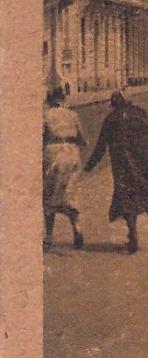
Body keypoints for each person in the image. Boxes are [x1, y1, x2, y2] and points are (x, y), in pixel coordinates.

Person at [82, 91, 148, 254]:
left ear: (113, 105)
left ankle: (132, 230)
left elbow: (101, 146)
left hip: (122, 165)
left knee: (125, 198)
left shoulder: (110, 119)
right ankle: (133, 232)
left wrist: (89, 166)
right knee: (144, 194)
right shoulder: (140, 113)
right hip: (142, 163)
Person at [43, 87, 86, 250]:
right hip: (71, 153)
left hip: (52, 154)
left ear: (50, 100)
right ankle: (77, 227)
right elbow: (82, 139)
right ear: (64, 99)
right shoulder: (73, 115)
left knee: (48, 195)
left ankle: (48, 237)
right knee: (69, 193)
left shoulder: (45, 115)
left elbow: (41, 136)